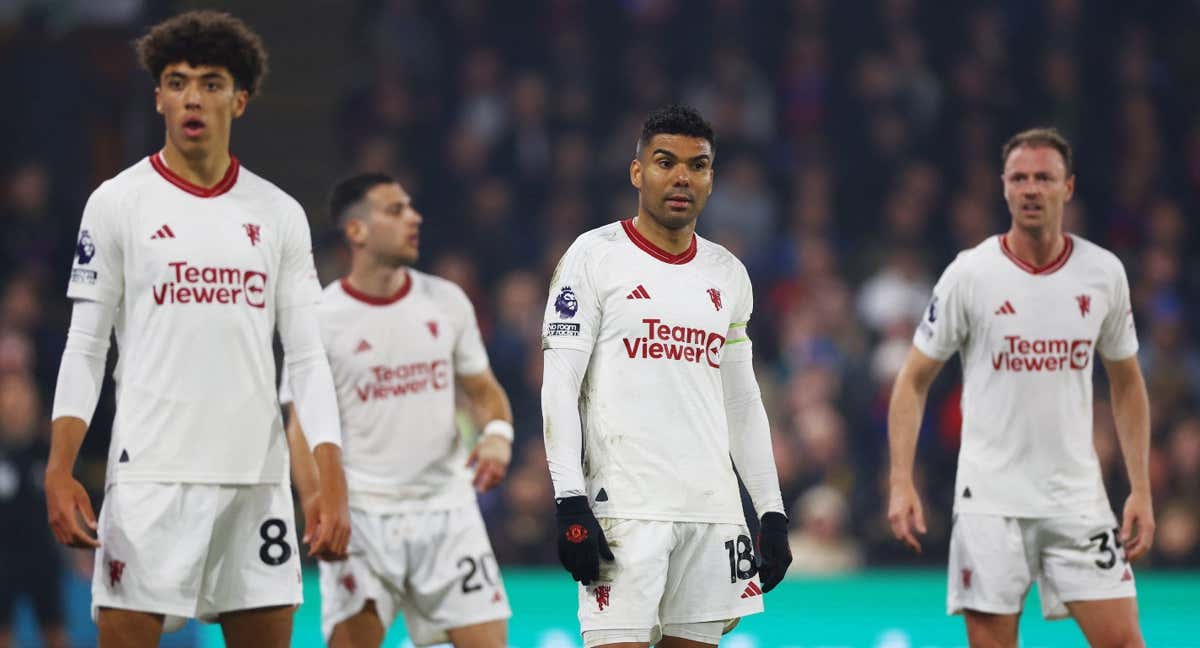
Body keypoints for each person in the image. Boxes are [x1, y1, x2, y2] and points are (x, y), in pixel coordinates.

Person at [43, 11, 349, 648]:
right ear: (157, 97)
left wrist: (325, 480)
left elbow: (309, 358)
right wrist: (60, 463)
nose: (192, 97)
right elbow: (86, 344)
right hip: (150, 478)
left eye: (211, 83)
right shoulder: (116, 202)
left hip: (255, 483)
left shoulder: (279, 214)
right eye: (177, 81)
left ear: (239, 99)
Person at [887, 127, 1154, 648]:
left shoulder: (1103, 274)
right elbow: (913, 380)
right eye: (1020, 178)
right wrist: (900, 479)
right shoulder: (970, 274)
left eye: (1044, 178)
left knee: (1125, 643)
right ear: (1003, 187)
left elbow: (1127, 385)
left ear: (1068, 187)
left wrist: (1140, 488)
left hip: (1077, 498)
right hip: (990, 500)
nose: (1031, 188)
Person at [540, 104, 792, 648]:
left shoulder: (727, 273)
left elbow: (742, 400)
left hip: (712, 513)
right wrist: (568, 501)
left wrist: (770, 511)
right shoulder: (593, 256)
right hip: (624, 510)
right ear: (637, 173)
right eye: (665, 162)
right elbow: (559, 383)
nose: (682, 177)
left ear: (711, 178)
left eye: (697, 165)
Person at [282, 173, 514, 648]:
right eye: (395, 210)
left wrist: (496, 435)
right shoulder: (318, 319)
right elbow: (300, 429)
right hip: (364, 517)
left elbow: (484, 390)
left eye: (410, 207)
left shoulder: (446, 301)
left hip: (448, 511)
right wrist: (317, 506)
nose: (414, 217)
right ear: (357, 231)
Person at [0, 372, 68, 648]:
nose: (16, 403)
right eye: (9, 396)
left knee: (55, 632)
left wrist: (79, 555)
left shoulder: (51, 454)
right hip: (2, 559)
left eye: (23, 396)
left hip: (43, 556)